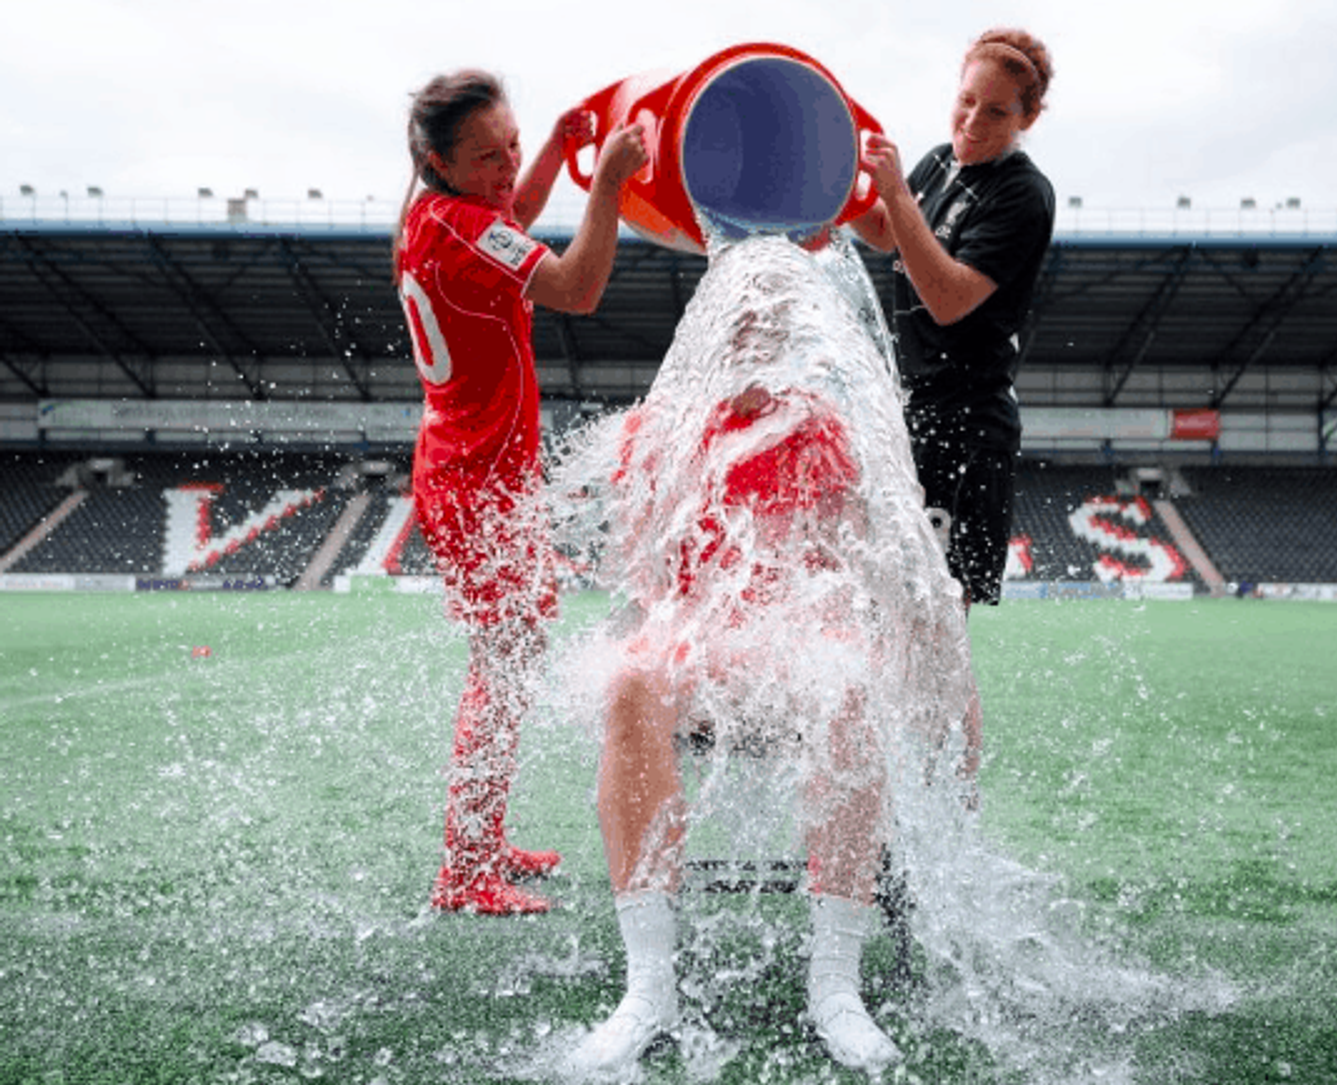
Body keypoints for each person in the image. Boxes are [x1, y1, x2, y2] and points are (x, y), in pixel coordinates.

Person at [557, 238, 976, 1077]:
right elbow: (645, 572)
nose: (753, 338)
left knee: (847, 679)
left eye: (770, 326)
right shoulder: (660, 431)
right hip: (701, 634)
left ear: (794, 336)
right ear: (710, 332)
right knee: (635, 674)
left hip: (797, 626)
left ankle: (836, 985)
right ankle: (648, 987)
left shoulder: (822, 429)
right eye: (739, 325)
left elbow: (845, 564)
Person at [394, 69, 647, 915]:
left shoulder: (433, 210)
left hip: (472, 466)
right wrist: (605, 179)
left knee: (511, 657)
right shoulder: (463, 228)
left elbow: (508, 222)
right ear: (439, 159)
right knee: (501, 669)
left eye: (512, 144)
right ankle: (463, 871)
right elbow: (577, 287)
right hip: (476, 480)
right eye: (488, 156)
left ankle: (481, 837)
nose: (506, 167)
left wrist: (550, 152)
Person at [851, 28, 1056, 609]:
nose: (971, 121)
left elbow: (946, 298)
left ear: (1028, 118)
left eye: (995, 111)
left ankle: (944, 706)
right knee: (886, 607)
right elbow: (889, 232)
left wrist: (892, 189)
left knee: (936, 621)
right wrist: (834, 183)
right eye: (965, 100)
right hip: (911, 411)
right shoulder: (938, 162)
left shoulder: (1023, 194)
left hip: (965, 425)